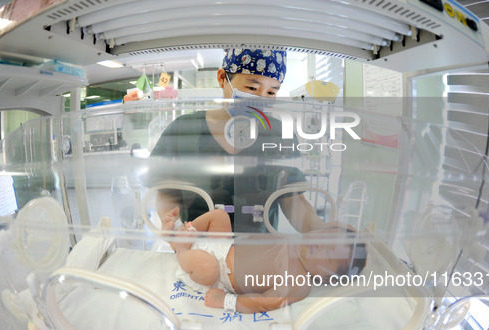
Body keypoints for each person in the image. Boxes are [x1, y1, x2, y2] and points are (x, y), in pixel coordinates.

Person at [150, 48, 331, 233]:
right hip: (198, 250)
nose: (259, 100)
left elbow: (293, 200)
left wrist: (322, 232)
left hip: (259, 251)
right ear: (222, 78)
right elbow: (166, 193)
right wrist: (175, 227)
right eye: (251, 88)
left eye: (271, 92)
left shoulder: (280, 134)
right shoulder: (182, 130)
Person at [162, 207, 366, 314]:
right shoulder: (294, 241)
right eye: (324, 237)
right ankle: (179, 233)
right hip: (224, 245)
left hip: (220, 274)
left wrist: (226, 300)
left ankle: (181, 248)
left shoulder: (299, 283)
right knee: (220, 215)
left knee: (207, 267)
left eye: (329, 255)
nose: (320, 244)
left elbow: (266, 302)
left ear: (325, 278)